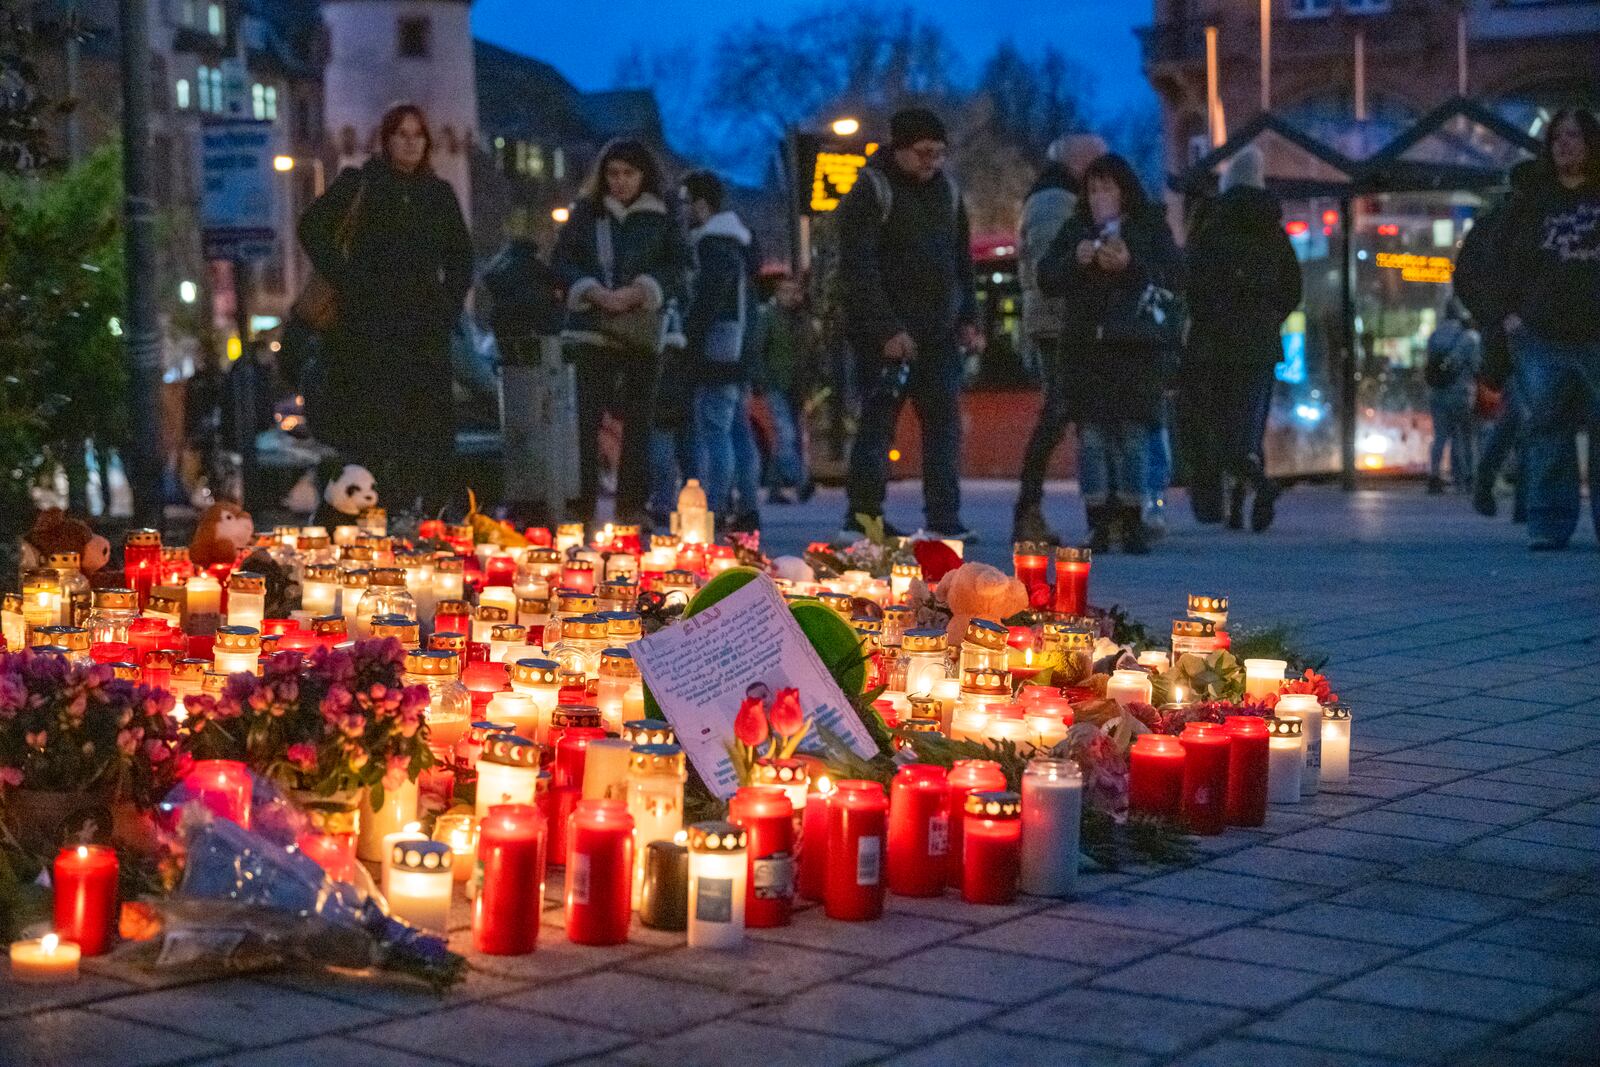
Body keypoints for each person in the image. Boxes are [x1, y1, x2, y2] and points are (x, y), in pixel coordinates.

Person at [297, 102, 472, 513]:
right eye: (401, 135)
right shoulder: (361, 184)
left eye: (418, 135)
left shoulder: (438, 194)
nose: (410, 143)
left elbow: (461, 258)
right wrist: (350, 281)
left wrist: (446, 309)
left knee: (427, 431)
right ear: (386, 140)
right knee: (373, 431)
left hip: (423, 333)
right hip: (367, 334)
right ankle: (369, 516)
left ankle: (424, 514)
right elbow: (312, 228)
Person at [838, 107, 984, 540]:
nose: (932, 162)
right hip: (885, 337)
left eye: (939, 154)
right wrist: (886, 329)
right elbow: (858, 268)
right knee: (877, 425)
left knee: (943, 427)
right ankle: (863, 519)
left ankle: (944, 520)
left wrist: (968, 316)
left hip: (938, 333)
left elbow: (962, 261)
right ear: (899, 149)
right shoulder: (871, 191)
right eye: (923, 153)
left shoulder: (949, 194)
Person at [1037, 153, 1184, 554]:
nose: (1101, 196)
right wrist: (1077, 259)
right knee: (1093, 439)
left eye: (1108, 188)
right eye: (1094, 189)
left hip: (1136, 351)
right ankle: (1099, 522)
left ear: (1124, 191)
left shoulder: (1148, 227)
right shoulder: (1077, 229)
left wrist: (1130, 264)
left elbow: (1171, 275)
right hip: (1086, 352)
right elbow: (1047, 275)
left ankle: (1134, 521)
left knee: (1134, 439)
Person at [1474, 109, 1600, 550]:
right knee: (1548, 431)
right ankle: (1548, 525)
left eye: (1575, 136)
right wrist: (1507, 315)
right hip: (1541, 335)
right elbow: (1493, 260)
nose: (1566, 144)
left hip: (1595, 334)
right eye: (1558, 137)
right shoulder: (1532, 200)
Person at [551, 139, 690, 527]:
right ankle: (581, 504)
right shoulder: (587, 213)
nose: (620, 182)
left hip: (641, 332)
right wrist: (590, 289)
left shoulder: (663, 215)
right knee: (585, 420)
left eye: (629, 173)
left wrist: (642, 290)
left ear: (644, 175)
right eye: (613, 173)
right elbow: (562, 260)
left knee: (640, 421)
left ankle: (632, 505)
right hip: (591, 330)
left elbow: (680, 266)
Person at [1182, 145, 1302, 532]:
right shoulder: (1273, 229)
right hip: (1261, 343)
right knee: (1249, 425)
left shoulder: (1211, 224)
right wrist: (1268, 317)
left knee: (1217, 426)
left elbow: (1192, 280)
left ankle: (1247, 492)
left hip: (1214, 343)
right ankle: (1244, 501)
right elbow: (1292, 288)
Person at [1013, 133, 1107, 544]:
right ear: (1079, 161)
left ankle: (1038, 509)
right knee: (1058, 413)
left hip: (1062, 323)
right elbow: (1053, 269)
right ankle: (1028, 509)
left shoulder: (1057, 197)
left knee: (1063, 414)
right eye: (1098, 163)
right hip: (1058, 325)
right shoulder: (1055, 202)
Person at [680, 170, 763, 532]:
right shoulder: (741, 242)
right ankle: (747, 505)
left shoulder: (713, 244)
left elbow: (707, 300)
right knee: (738, 431)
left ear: (700, 204)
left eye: (686, 203)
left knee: (714, 430)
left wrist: (689, 336)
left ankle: (714, 508)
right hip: (741, 351)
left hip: (718, 351)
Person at [751, 274, 818, 504]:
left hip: (797, 386)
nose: (791, 296)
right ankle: (800, 480)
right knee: (786, 434)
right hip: (775, 384)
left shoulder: (802, 319)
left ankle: (775, 488)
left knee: (792, 438)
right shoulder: (768, 318)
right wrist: (761, 381)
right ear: (777, 294)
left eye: (794, 291)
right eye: (786, 291)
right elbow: (759, 350)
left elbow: (811, 353)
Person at [1423, 299, 1483, 494]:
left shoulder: (1434, 336)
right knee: (1464, 436)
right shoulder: (1468, 338)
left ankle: (1434, 475)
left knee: (1440, 436)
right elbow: (1476, 367)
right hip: (1460, 393)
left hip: (1437, 393)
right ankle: (1466, 477)